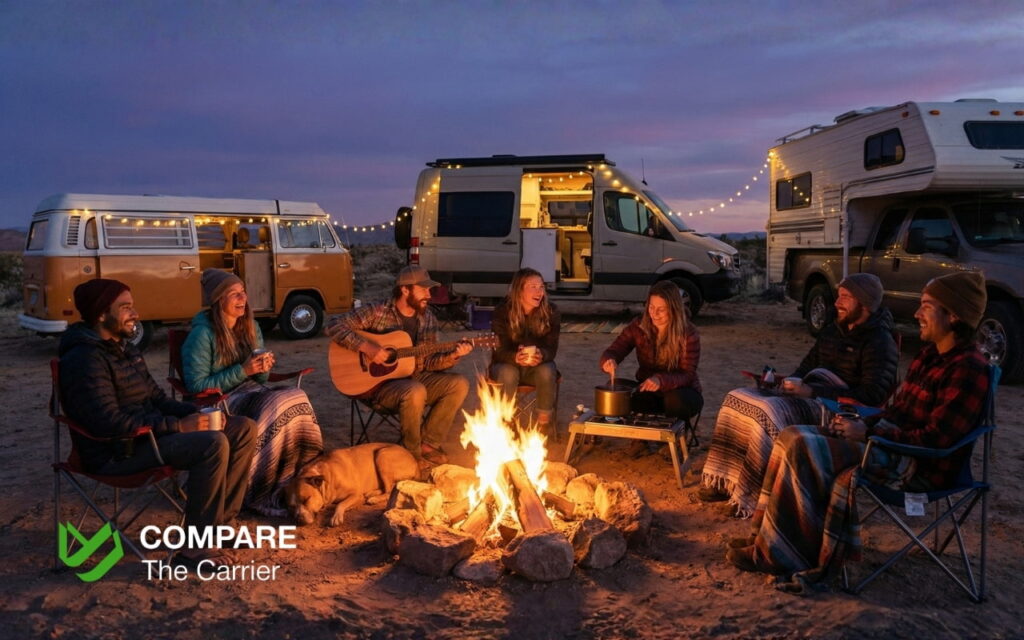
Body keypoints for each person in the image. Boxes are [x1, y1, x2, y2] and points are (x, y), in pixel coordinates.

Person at [725, 272, 991, 585]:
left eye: (927, 306)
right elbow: (897, 412)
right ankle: (768, 540)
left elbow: (935, 441)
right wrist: (861, 422)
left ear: (954, 315)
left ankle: (780, 555)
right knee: (790, 436)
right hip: (888, 443)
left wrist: (868, 434)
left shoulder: (969, 368)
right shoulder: (930, 356)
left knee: (805, 448)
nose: (917, 313)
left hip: (918, 465)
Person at [59, 278, 256, 566]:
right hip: (116, 452)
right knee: (211, 444)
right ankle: (194, 549)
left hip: (147, 438)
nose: (135, 314)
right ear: (101, 314)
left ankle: (219, 526)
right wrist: (179, 427)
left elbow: (158, 399)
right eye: (125, 308)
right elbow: (108, 423)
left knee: (241, 427)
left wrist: (197, 414)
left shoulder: (125, 349)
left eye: (133, 306)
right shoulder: (84, 359)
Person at [700, 273, 899, 514]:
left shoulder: (880, 342)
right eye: (838, 296)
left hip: (840, 411)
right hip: (812, 397)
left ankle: (749, 495)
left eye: (845, 297)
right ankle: (723, 480)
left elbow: (872, 395)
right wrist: (789, 383)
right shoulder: (832, 331)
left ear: (864, 303)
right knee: (736, 397)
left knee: (770, 411)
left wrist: (813, 391)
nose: (837, 303)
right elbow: (806, 368)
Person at [182, 269, 324, 516]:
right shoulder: (202, 334)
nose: (242, 298)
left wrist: (262, 367)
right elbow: (196, 386)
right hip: (220, 401)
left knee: (296, 396)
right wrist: (243, 370)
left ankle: (297, 481)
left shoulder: (251, 326)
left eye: (243, 292)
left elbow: (261, 379)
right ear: (218, 300)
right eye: (234, 294)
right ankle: (258, 487)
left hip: (251, 390)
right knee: (277, 404)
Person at [326, 265, 472, 469]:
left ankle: (428, 444)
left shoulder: (427, 318)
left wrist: (454, 354)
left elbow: (428, 362)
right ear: (405, 290)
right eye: (424, 289)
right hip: (379, 388)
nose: (429, 295)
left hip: (413, 378)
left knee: (459, 384)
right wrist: (368, 348)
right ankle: (411, 455)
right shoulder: (378, 311)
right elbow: (334, 325)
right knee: (415, 390)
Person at [599, 280, 703, 426]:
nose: (654, 314)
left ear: (673, 309)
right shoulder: (639, 326)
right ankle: (640, 438)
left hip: (682, 392)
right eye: (651, 307)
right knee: (616, 388)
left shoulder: (688, 333)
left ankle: (674, 436)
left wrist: (660, 380)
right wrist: (608, 360)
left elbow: (687, 374)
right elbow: (616, 349)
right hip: (648, 389)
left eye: (661, 309)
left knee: (674, 400)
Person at [489, 268, 561, 431]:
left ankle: (543, 425)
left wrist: (541, 354)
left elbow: (552, 348)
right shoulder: (502, 311)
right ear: (519, 290)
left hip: (536, 367)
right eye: (533, 286)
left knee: (547, 370)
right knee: (508, 373)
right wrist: (515, 357)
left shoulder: (551, 311)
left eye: (541, 287)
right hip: (506, 365)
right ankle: (507, 424)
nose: (539, 291)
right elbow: (498, 351)